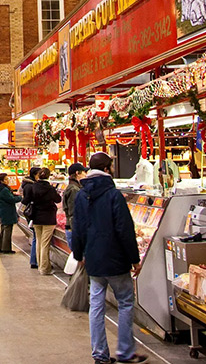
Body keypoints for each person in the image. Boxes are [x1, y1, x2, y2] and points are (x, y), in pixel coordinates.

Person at [71, 152, 148, 364]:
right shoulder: (113, 195)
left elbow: (77, 227)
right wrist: (134, 259)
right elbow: (125, 229)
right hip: (116, 259)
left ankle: (99, 355)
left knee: (96, 304)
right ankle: (125, 352)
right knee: (124, 302)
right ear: (106, 169)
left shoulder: (81, 195)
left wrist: (79, 254)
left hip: (93, 259)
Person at [23, 167, 61, 274]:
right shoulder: (50, 188)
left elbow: (26, 200)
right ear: (48, 176)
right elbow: (58, 199)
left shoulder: (33, 187)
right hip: (48, 218)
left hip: (36, 217)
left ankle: (41, 265)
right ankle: (44, 268)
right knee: (45, 244)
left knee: (39, 242)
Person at [63, 163, 88, 251]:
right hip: (73, 230)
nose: (86, 174)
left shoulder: (75, 187)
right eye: (84, 172)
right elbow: (73, 212)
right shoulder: (74, 189)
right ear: (77, 173)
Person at [0, 173, 22, 254]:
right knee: (7, 230)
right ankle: (6, 248)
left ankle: (2, 247)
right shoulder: (4, 190)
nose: (8, 180)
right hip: (7, 211)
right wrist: (20, 198)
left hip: (3, 211)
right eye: (6, 179)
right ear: (2, 181)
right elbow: (11, 199)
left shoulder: (0, 189)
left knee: (4, 229)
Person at [21, 166, 40, 269]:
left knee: (35, 237)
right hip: (33, 213)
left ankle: (34, 260)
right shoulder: (31, 186)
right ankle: (35, 261)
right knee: (36, 238)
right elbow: (28, 199)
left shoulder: (27, 184)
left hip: (30, 213)